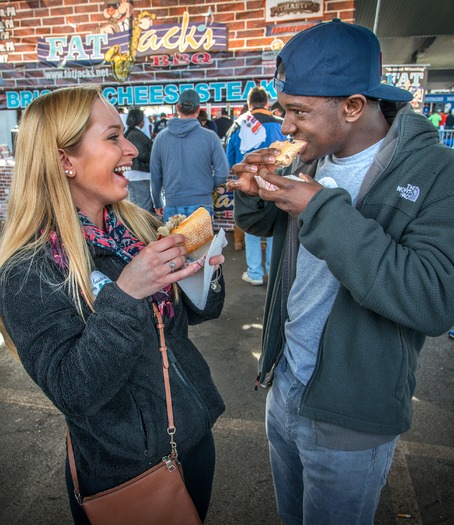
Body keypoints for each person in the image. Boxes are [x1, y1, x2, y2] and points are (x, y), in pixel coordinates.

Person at [229, 19, 454, 524]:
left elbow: (434, 298)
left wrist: (321, 209)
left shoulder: (438, 173)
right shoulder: (308, 160)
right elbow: (272, 230)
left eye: (297, 112)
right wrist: (254, 193)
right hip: (286, 385)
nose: (284, 127)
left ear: (353, 106)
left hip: (352, 411)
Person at [0, 84, 226, 524]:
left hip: (194, 440)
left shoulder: (141, 227)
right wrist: (126, 294)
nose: (131, 149)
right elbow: (74, 392)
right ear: (65, 159)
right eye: (113, 137)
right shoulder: (28, 270)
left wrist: (205, 272)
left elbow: (200, 313)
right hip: (127, 475)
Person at [226, 86, 285, 286]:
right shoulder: (281, 123)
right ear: (267, 103)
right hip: (279, 184)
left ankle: (255, 273)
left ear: (249, 104)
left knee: (251, 227)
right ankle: (273, 270)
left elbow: (229, 157)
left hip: (247, 185)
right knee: (277, 227)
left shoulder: (238, 124)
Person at [150, 89, 229, 222]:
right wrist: (208, 187)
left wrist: (157, 203)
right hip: (202, 205)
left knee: (174, 243)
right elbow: (223, 172)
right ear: (198, 109)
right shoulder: (210, 137)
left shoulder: (161, 138)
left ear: (177, 108)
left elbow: (155, 175)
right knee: (202, 244)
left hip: (172, 203)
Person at [124, 108, 154, 212]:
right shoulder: (137, 135)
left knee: (135, 206)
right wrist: (154, 154)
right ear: (141, 120)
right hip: (140, 174)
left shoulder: (129, 133)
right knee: (144, 207)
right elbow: (141, 154)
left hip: (131, 174)